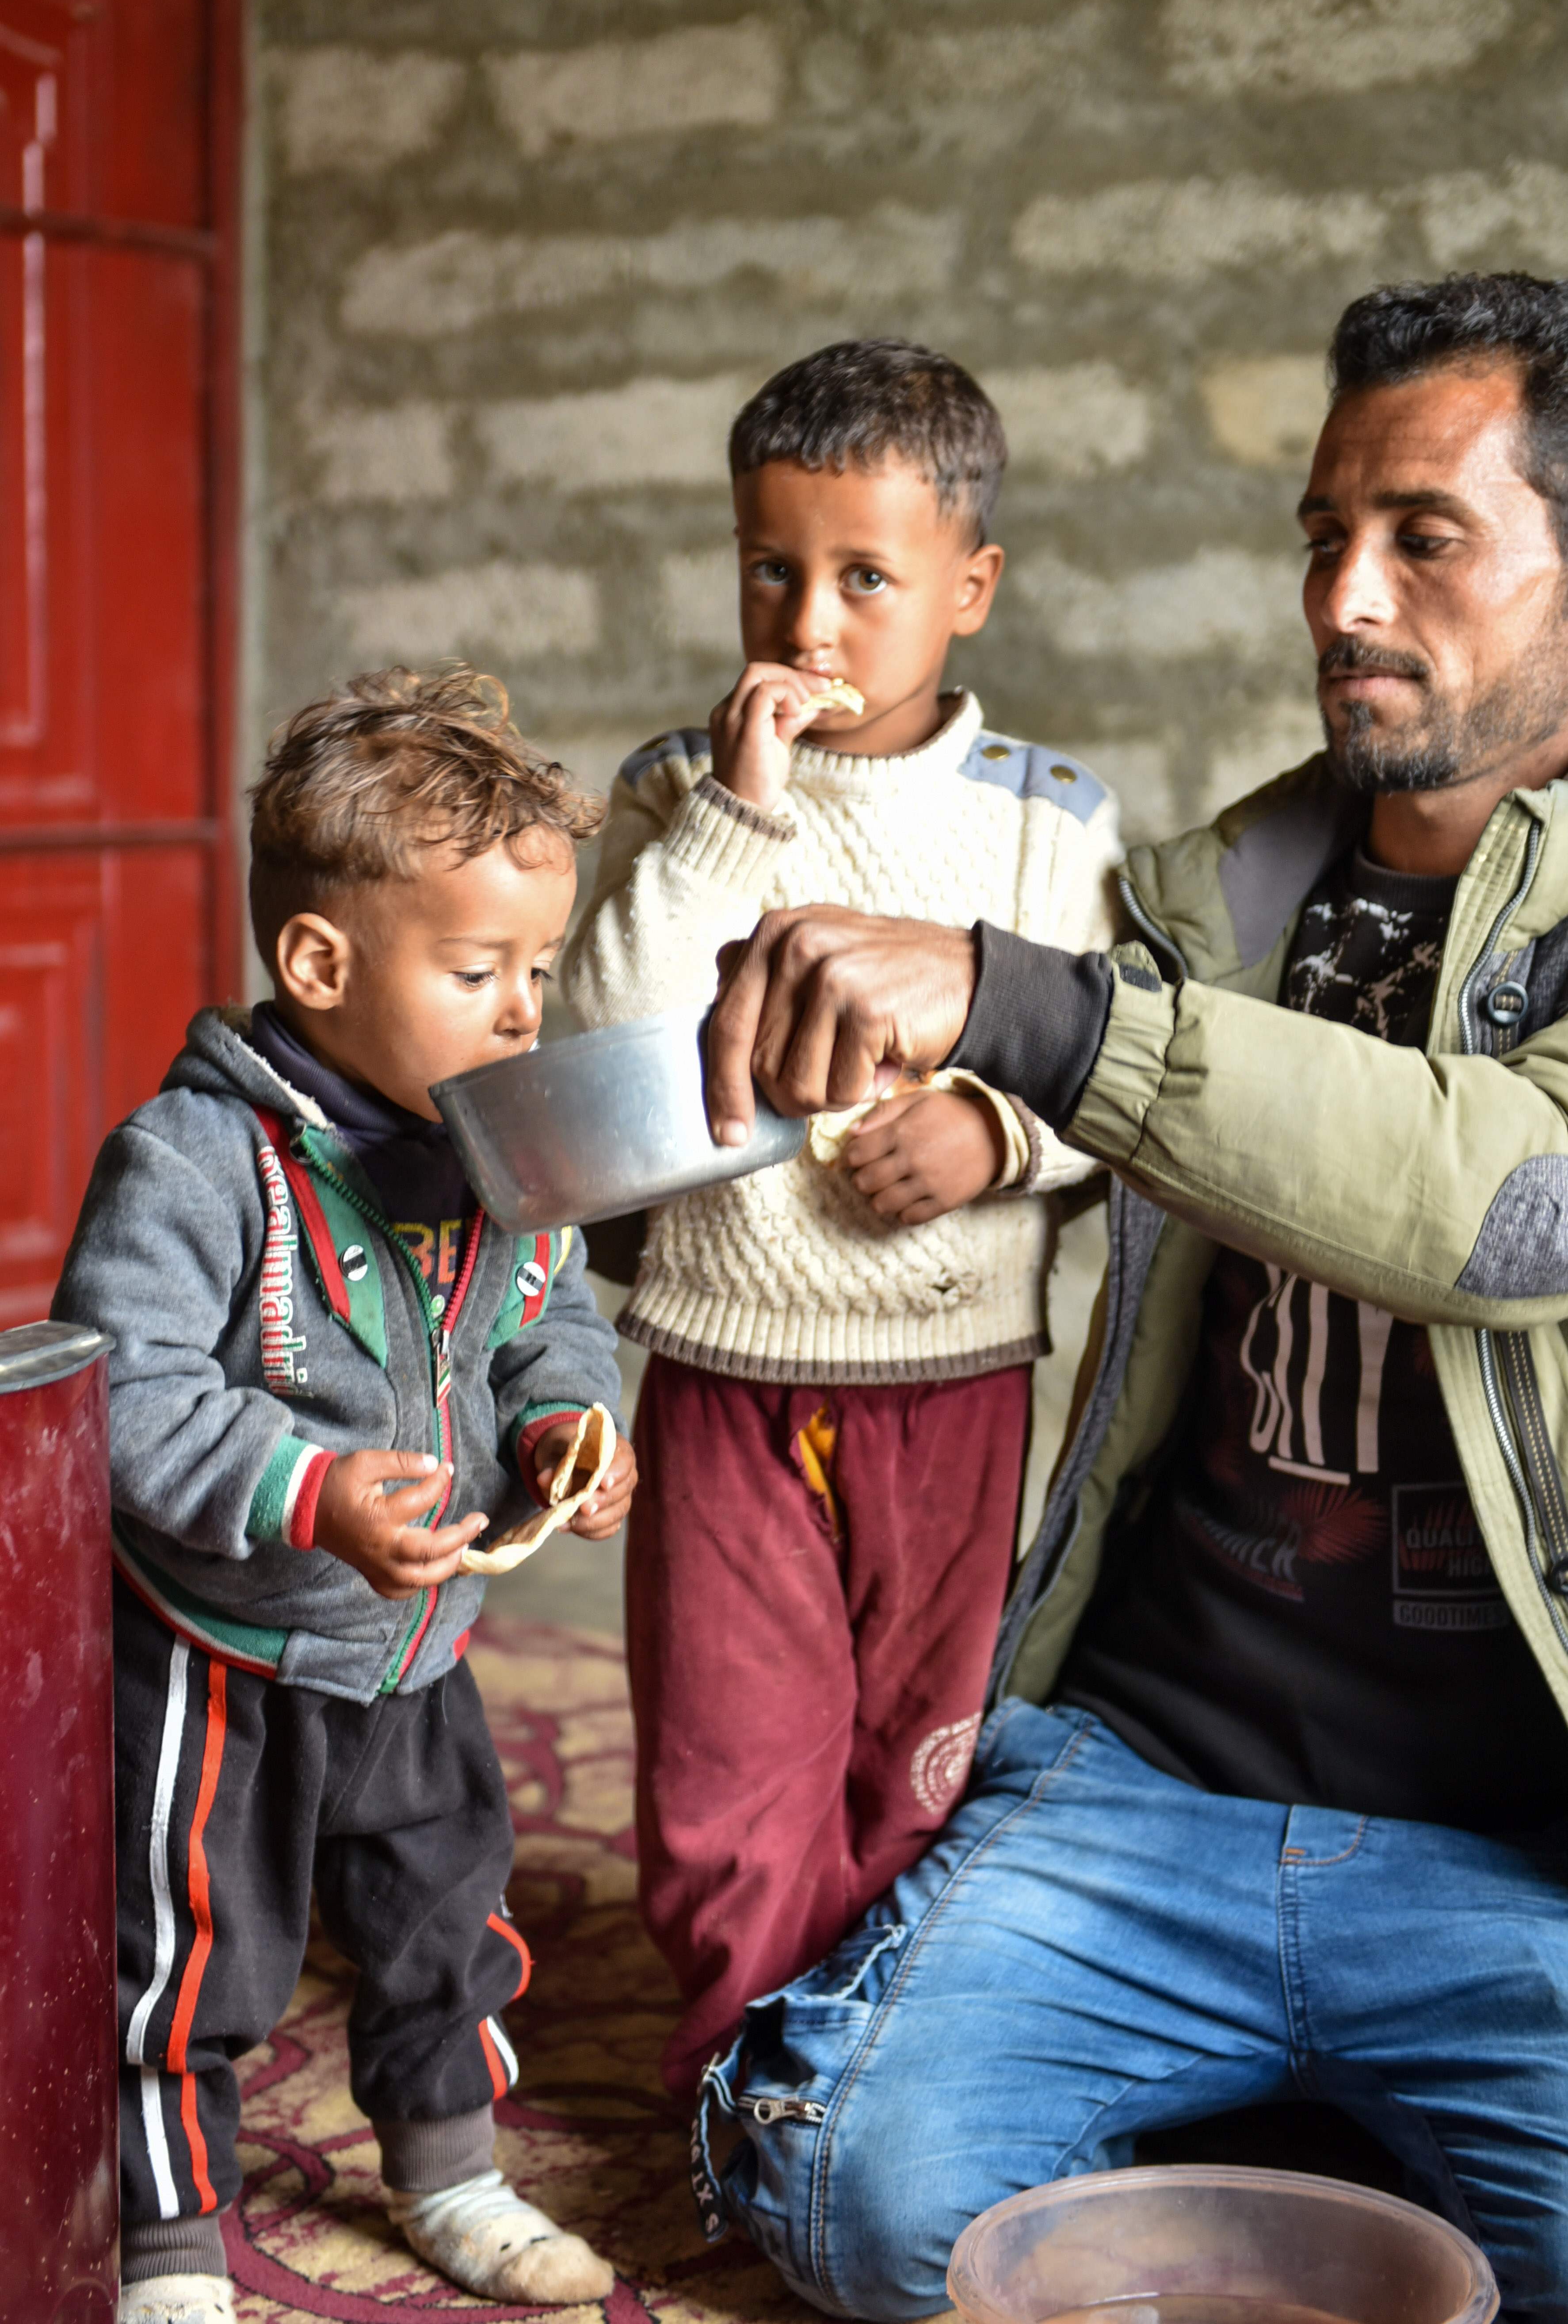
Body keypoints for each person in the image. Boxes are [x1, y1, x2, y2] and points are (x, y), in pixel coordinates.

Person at [695, 273, 1568, 2324]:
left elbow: (1508, 1202)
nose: (1341, 598)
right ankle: (1305, 2125)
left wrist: (1015, 1005)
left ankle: (1302, 2127)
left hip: (1509, 1842)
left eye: (1420, 537)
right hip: (1153, 1776)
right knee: (851, 2195)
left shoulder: (1103, 963)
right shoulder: (1204, 894)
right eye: (1318, 535)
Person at [561, 338, 1122, 2098]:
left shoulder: (1047, 824)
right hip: (726, 1367)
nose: (806, 623)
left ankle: (874, 2071)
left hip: (953, 1383)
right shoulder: (681, 793)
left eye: (864, 578)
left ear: (967, 588)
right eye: (769, 569)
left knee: (916, 1756)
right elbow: (596, 1048)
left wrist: (994, 1140)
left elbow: (1122, 1084)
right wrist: (736, 823)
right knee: (730, 1757)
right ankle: (748, 2084)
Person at [54, 668, 638, 2324]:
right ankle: (169, 2238)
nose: (526, 1010)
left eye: (539, 967)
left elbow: (552, 1318)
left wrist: (566, 1430)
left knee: (446, 1920)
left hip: (418, 1643)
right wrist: (305, 1492)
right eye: (477, 971)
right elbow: (128, 1390)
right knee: (192, 1955)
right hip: (223, 1646)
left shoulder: (505, 1137)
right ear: (319, 966)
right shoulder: (191, 1157)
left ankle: (451, 2172)